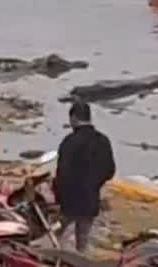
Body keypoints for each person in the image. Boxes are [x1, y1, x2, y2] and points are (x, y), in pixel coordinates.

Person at [54, 101, 116, 253]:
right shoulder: (102, 141)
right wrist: (95, 184)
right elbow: (109, 170)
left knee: (56, 237)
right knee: (83, 242)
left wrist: (58, 197)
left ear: (73, 118)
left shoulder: (69, 142)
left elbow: (61, 174)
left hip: (69, 201)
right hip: (90, 200)